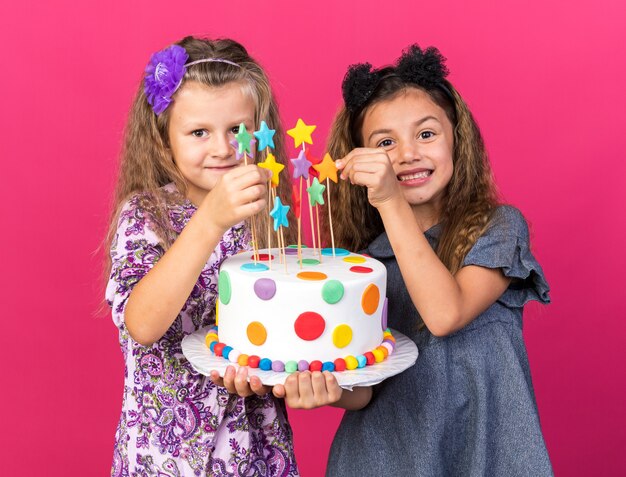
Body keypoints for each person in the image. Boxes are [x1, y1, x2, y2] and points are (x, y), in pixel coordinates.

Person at [273, 45, 553, 476]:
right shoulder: (363, 266)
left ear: (458, 138)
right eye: (385, 143)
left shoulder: (496, 228)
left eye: (426, 134)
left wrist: (389, 200)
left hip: (484, 452)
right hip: (384, 459)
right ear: (356, 161)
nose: (407, 154)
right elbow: (367, 390)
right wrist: (324, 387)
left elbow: (445, 313)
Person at [105, 36, 299, 476]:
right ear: (162, 141)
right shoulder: (146, 216)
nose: (223, 148)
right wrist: (210, 221)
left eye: (238, 130)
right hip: (164, 454)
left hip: (255, 452)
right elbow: (143, 323)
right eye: (198, 133)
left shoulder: (268, 217)